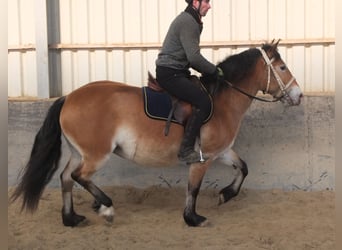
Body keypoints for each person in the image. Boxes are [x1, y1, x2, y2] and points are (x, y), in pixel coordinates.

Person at [156, 0, 223, 164]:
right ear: (195, 2)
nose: (209, 6)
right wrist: (214, 70)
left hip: (179, 71)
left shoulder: (193, 21)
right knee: (203, 101)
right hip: (170, 73)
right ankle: (185, 150)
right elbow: (193, 57)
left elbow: (191, 58)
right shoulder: (188, 22)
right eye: (206, 2)